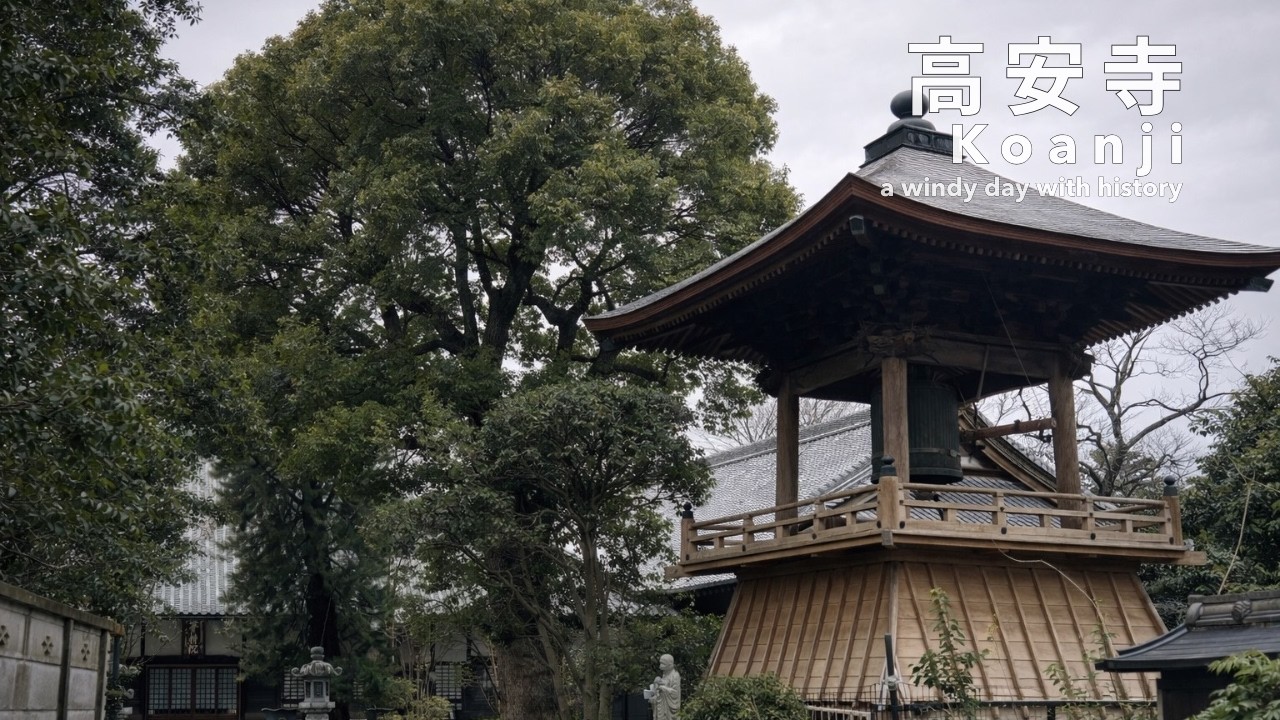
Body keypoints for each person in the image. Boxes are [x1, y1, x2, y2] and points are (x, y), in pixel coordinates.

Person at [648, 653, 680, 720]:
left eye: (663, 664)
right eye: (660, 663)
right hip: (661, 705)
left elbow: (675, 693)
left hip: (669, 707)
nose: (660, 666)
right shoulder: (665, 674)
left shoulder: (675, 676)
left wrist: (663, 688)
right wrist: (656, 684)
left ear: (669, 664)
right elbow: (661, 686)